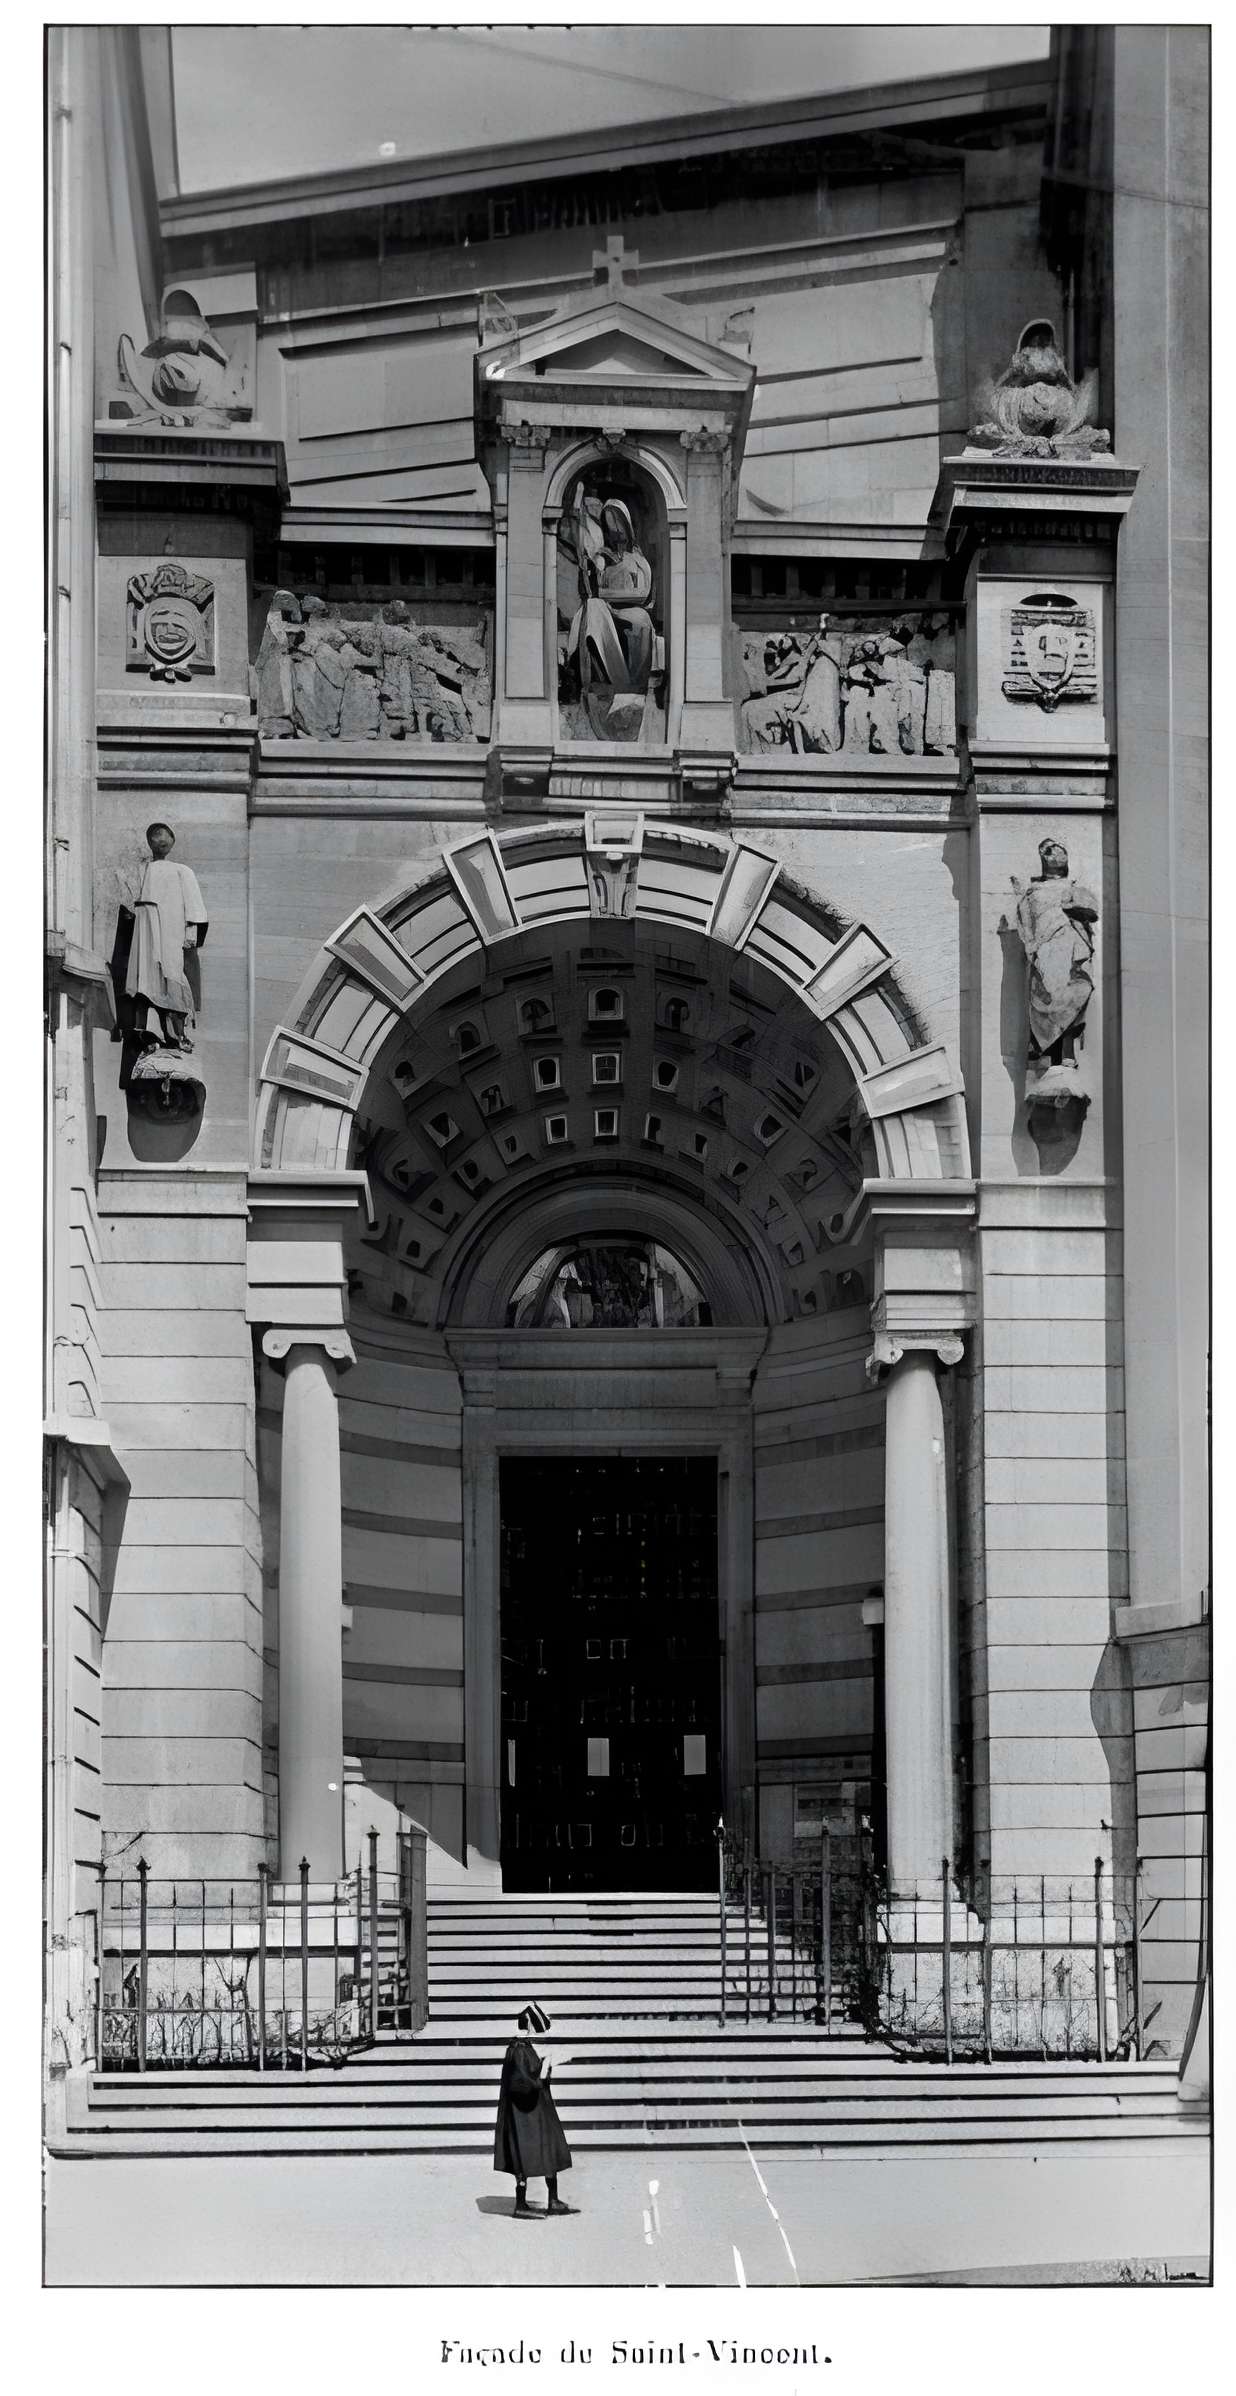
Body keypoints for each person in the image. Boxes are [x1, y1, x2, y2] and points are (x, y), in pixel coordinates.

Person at [125, 823, 208, 1052]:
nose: (160, 841)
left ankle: (177, 1034)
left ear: (172, 841)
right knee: (147, 981)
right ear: (149, 842)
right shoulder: (141, 870)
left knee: (172, 977)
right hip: (147, 932)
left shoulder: (182, 871)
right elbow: (130, 903)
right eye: (155, 837)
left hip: (172, 934)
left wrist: (190, 934)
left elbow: (194, 908)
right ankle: (148, 1034)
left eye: (164, 837)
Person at [493, 2002, 575, 2218]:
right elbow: (521, 2084)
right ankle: (521, 2204)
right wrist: (546, 2067)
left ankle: (553, 2200)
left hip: (537, 2108)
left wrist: (545, 2066)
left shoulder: (524, 2048)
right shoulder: (519, 2049)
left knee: (548, 2148)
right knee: (524, 2154)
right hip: (525, 2112)